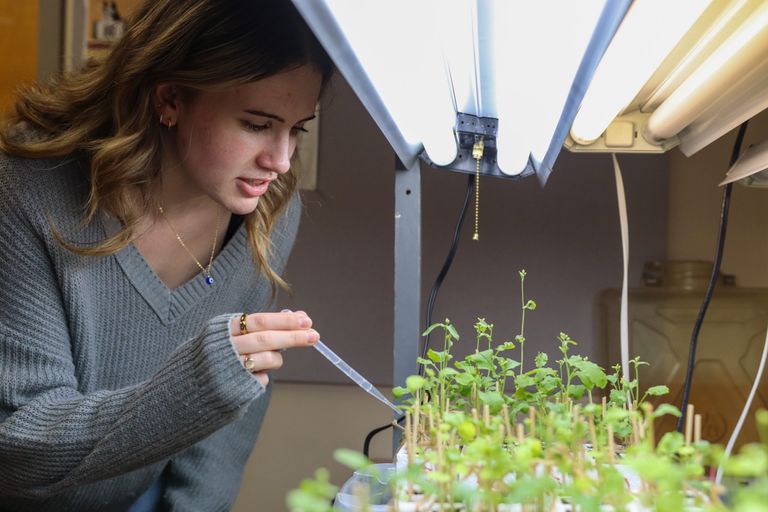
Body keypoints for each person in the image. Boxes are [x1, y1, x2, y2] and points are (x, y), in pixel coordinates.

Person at [0, 0, 334, 510]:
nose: (281, 161)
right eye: (257, 124)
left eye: (297, 128)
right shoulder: (29, 193)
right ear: (171, 98)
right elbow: (18, 447)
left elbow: (226, 420)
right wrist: (200, 386)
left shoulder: (267, 212)